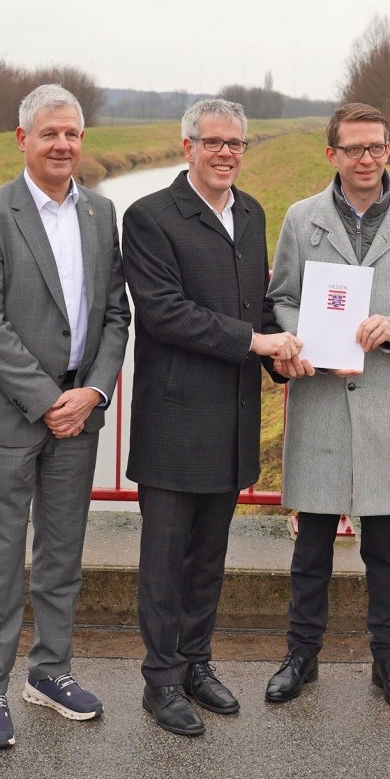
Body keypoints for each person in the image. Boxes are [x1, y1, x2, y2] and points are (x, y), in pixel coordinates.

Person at [0, 84, 131, 749]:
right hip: (12, 414)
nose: (63, 145)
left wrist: (92, 393)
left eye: (73, 134)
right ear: (22, 139)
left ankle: (50, 672)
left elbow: (117, 315)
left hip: (80, 412)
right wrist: (45, 399)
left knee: (62, 554)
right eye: (50, 133)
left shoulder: (101, 212)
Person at [264, 103, 390, 713]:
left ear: (388, 150)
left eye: (375, 147)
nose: (365, 159)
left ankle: (389, 660)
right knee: (311, 542)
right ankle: (301, 655)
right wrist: (303, 336)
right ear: (333, 155)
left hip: (387, 400)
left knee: (385, 545)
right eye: (353, 150)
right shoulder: (302, 218)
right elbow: (283, 297)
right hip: (320, 395)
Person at [123, 98, 298, 737]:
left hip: (231, 418)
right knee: (165, 560)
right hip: (174, 419)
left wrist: (286, 355)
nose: (226, 153)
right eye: (212, 142)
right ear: (187, 147)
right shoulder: (149, 217)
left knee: (209, 558)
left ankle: (196, 662)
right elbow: (165, 313)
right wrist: (257, 345)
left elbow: (256, 307)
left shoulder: (250, 214)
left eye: (236, 144)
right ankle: (161, 680)